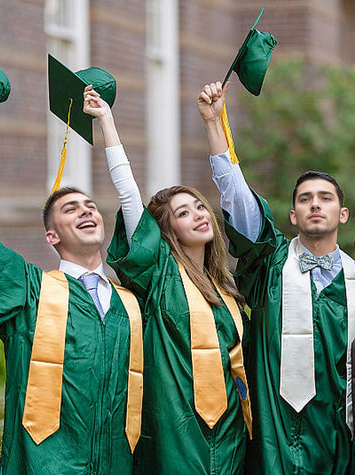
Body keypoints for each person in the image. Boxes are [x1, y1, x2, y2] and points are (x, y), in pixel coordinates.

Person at [0, 113, 143, 474]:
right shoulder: (34, 291)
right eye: (71, 208)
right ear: (53, 237)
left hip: (118, 463)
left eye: (91, 206)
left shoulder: (131, 304)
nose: (86, 211)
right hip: (45, 464)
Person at [82, 85, 252, 475]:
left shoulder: (226, 289)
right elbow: (129, 197)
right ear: (166, 231)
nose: (196, 214)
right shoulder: (159, 274)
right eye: (182, 213)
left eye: (198, 206)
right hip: (178, 430)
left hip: (231, 432)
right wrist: (107, 122)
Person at [198, 80, 355, 474]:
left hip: (340, 439)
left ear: (343, 214)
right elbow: (238, 199)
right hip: (273, 435)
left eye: (326, 198)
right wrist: (214, 124)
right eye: (304, 199)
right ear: (292, 216)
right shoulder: (270, 263)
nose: (315, 204)